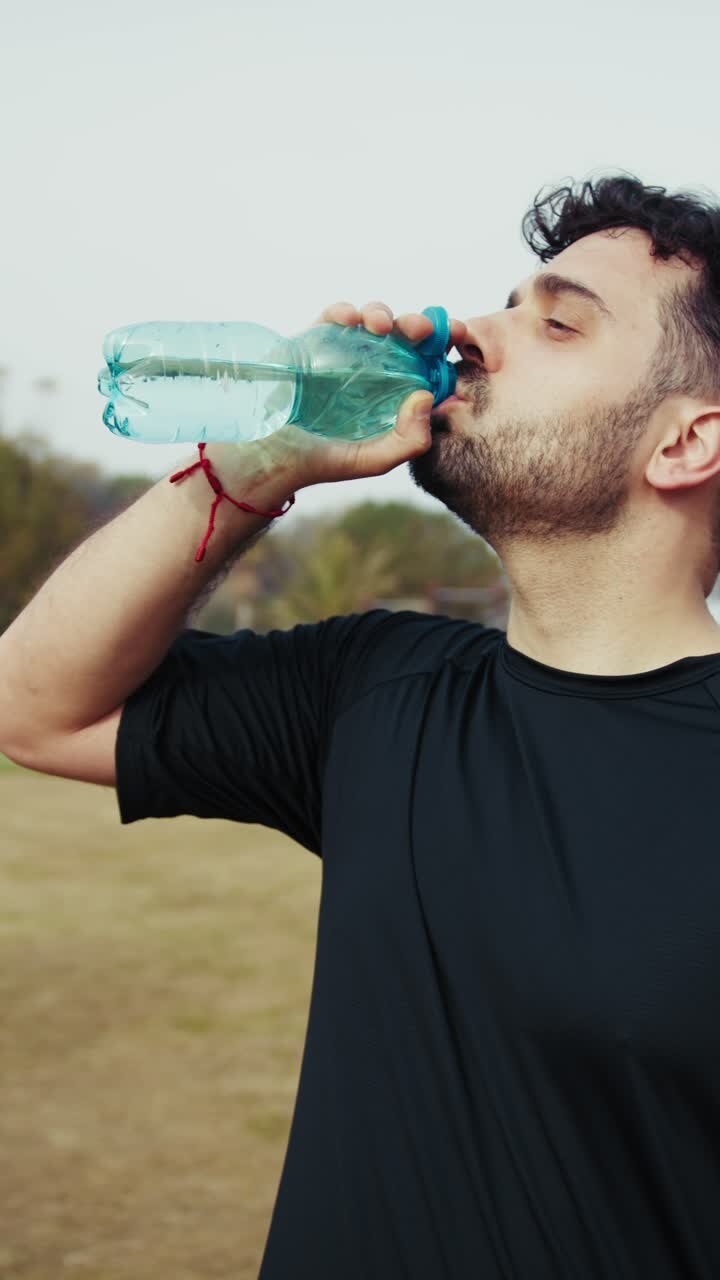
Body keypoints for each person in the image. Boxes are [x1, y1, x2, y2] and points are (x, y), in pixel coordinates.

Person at [2, 172, 720, 1278]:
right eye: (507, 302)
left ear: (686, 442)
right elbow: (36, 706)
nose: (473, 334)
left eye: (558, 321)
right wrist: (259, 462)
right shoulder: (377, 687)